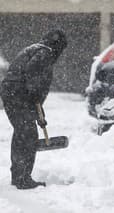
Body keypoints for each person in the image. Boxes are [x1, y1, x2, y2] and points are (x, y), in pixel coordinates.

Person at [0, 29, 67, 189]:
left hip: (13, 93)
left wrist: (38, 111)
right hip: (18, 94)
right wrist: (34, 92)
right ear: (58, 45)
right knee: (27, 135)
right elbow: (32, 73)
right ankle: (22, 178)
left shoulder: (35, 48)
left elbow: (30, 78)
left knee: (22, 133)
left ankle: (19, 176)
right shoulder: (45, 52)